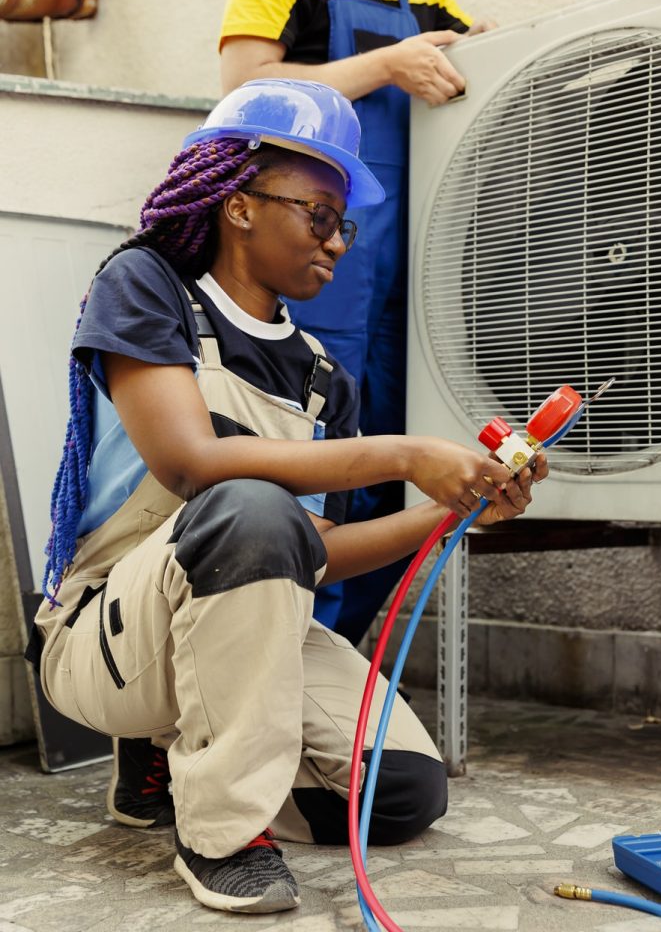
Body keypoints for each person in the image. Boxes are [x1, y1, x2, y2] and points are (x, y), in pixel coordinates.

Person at [26, 78, 546, 915]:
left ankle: (174, 762)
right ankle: (220, 835)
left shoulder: (320, 379)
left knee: (403, 795)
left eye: (344, 224)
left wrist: (453, 513)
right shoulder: (148, 284)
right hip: (110, 628)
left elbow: (310, 553)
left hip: (248, 610)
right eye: (318, 216)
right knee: (248, 501)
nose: (337, 242)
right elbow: (195, 465)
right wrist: (405, 453)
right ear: (237, 204)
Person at [219, 0, 493, 642]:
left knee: (391, 473)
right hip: (318, 267)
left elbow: (476, 75)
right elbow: (244, 85)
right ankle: (273, 646)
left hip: (411, 278)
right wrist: (385, 64)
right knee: (311, 466)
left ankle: (331, 650)